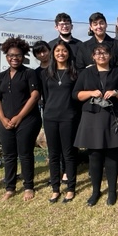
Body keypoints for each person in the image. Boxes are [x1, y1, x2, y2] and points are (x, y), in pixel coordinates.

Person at [73, 43, 118, 206]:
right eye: (98, 53)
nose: (101, 55)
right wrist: (91, 93)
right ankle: (95, 191)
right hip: (91, 118)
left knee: (112, 155)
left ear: (110, 56)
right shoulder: (86, 72)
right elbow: (76, 94)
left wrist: (115, 92)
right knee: (94, 156)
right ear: (93, 56)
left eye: (105, 53)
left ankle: (112, 192)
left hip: (111, 118)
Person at [0, 37, 42, 201]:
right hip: (6, 121)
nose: (14, 58)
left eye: (18, 55)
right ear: (6, 56)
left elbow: (35, 96)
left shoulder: (29, 73)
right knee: (8, 155)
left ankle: (28, 186)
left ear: (24, 56)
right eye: (11, 55)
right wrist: (2, 118)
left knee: (25, 153)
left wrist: (19, 117)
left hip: (27, 120)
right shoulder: (1, 76)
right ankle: (10, 187)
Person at [41, 40, 79, 204]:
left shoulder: (74, 73)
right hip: (50, 117)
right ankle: (55, 188)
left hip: (68, 117)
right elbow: (45, 95)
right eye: (57, 51)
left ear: (68, 53)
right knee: (53, 154)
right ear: (53, 54)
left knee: (69, 154)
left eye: (64, 51)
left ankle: (70, 188)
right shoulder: (47, 73)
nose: (61, 53)